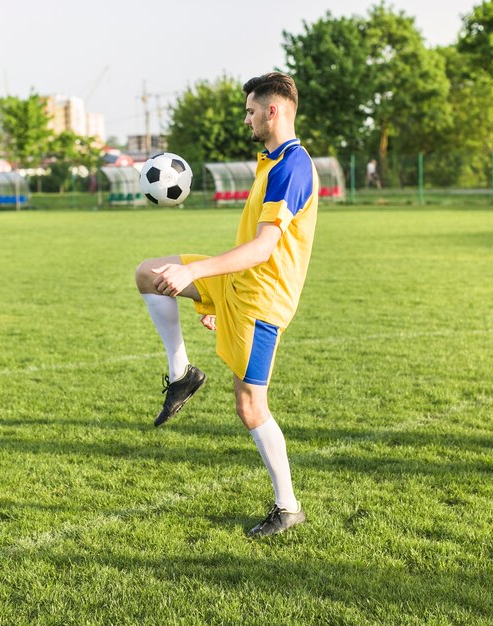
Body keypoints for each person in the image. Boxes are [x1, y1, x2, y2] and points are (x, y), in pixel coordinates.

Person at [135, 71, 318, 537]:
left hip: (261, 302)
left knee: (250, 405)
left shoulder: (292, 167)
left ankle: (288, 506)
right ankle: (182, 376)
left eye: (251, 111)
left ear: (272, 111)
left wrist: (196, 272)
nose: (247, 119)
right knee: (149, 275)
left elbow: (263, 249)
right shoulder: (271, 160)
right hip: (236, 285)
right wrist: (212, 289)